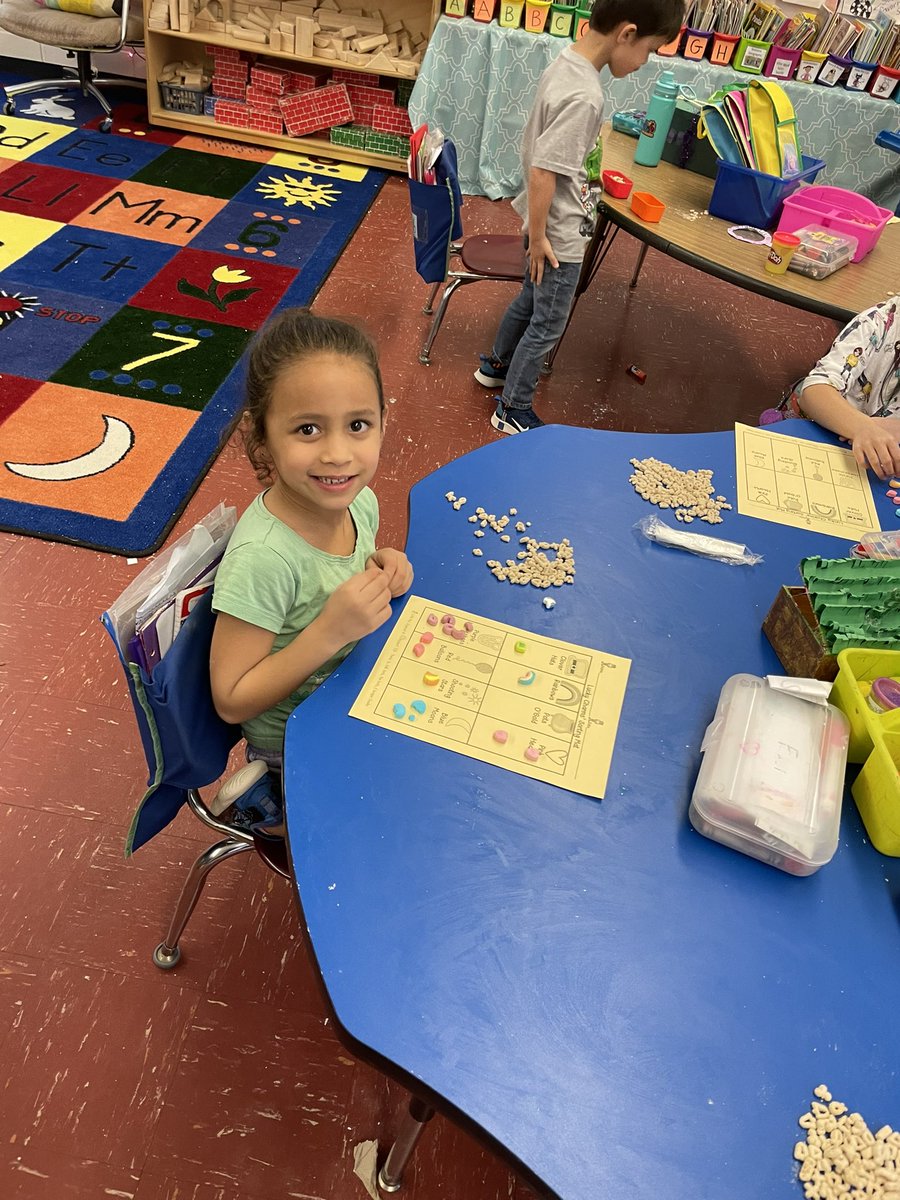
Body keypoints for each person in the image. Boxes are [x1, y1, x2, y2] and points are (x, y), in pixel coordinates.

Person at [210, 308, 414, 834]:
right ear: (263, 438)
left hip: (352, 685)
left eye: (358, 425)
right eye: (307, 429)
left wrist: (382, 566)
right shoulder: (264, 559)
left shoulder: (359, 503)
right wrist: (330, 631)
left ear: (383, 422)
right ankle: (270, 802)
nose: (338, 454)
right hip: (296, 743)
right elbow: (231, 700)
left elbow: (346, 564)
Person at [474, 0, 686, 435]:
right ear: (626, 33)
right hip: (559, 238)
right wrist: (540, 237)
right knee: (549, 322)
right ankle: (512, 407)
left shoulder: (567, 62)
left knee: (529, 303)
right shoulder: (586, 96)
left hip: (547, 229)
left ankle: (496, 366)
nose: (644, 62)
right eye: (649, 50)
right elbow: (542, 171)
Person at [761, 296, 900, 479]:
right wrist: (863, 427)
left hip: (875, 466)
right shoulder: (878, 322)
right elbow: (814, 391)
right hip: (821, 433)